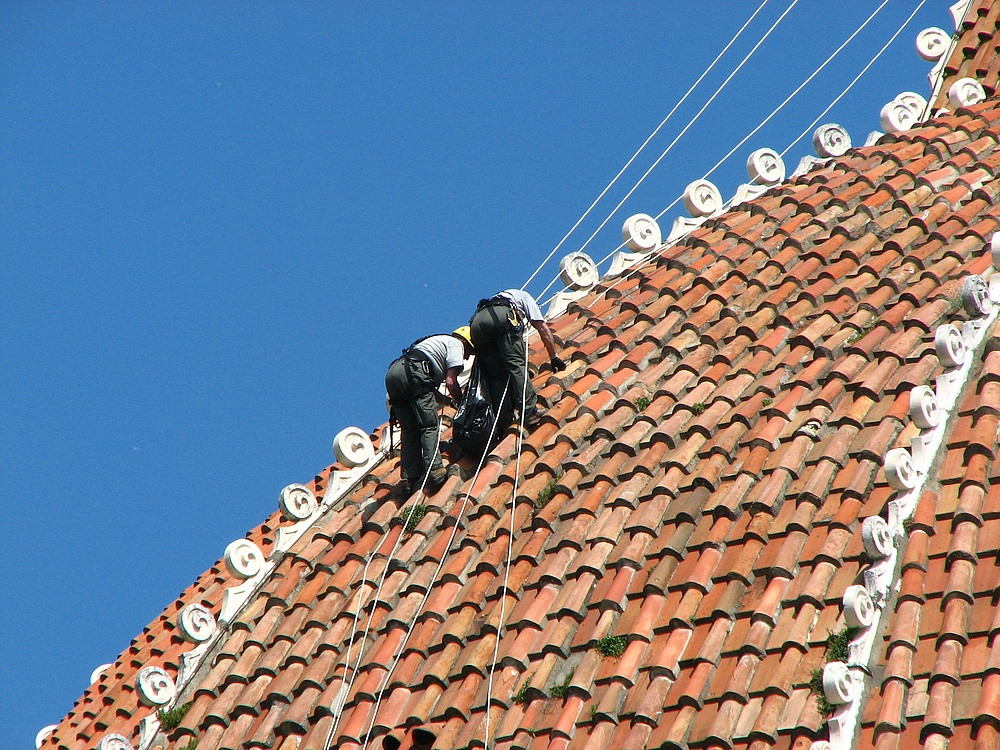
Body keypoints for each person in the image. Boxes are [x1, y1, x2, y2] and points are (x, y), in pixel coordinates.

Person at [385, 327, 474, 495]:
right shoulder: (456, 344)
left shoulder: (434, 345)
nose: (467, 357)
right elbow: (450, 382)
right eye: (469, 352)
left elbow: (426, 389)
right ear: (466, 344)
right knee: (429, 426)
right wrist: (463, 403)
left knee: (410, 431)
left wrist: (447, 401)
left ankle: (409, 479)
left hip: (395, 374)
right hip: (414, 373)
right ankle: (436, 471)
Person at [469, 289, 566, 439]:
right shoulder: (527, 298)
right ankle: (530, 412)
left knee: (497, 378)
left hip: (476, 325)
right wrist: (554, 357)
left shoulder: (502, 296)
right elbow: (542, 328)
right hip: (500, 318)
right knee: (517, 366)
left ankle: (503, 424)